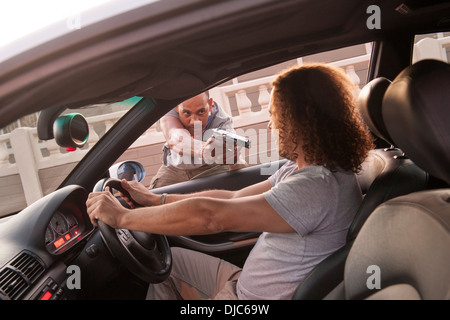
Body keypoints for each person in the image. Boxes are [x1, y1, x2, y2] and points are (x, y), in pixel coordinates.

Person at [86, 63, 374, 300]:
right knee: (172, 265)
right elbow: (233, 199)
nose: (272, 126)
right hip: (241, 285)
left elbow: (213, 217)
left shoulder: (316, 187)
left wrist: (122, 217)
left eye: (277, 117)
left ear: (302, 122)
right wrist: (155, 200)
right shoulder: (304, 169)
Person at [150, 92, 245, 189]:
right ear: (177, 107)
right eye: (187, 113)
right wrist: (206, 150)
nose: (195, 122)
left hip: (210, 167)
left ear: (210, 103)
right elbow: (176, 139)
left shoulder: (222, 121)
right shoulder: (170, 111)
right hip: (174, 169)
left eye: (201, 112)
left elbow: (238, 163)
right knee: (147, 200)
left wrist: (231, 159)